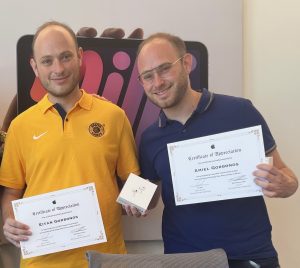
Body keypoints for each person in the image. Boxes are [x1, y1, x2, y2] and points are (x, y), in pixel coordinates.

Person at [135, 33, 298, 268]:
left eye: (164, 69)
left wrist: (286, 184)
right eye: (148, 76)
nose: (157, 82)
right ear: (141, 83)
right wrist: (133, 201)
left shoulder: (240, 112)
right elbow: (148, 197)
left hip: (250, 255)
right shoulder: (150, 138)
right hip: (185, 260)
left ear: (187, 63)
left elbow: (288, 178)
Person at [0, 21, 140, 268]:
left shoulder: (113, 116)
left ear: (79, 57)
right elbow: (11, 191)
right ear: (34, 66)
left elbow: (133, 181)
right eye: (47, 61)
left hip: (105, 259)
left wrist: (140, 200)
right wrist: (9, 221)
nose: (58, 68)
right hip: (41, 261)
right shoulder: (20, 127)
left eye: (65, 57)